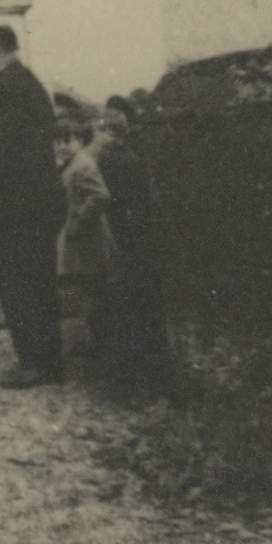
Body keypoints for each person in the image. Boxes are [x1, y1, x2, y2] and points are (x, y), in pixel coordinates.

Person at [0, 23, 66, 389]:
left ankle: (35, 363)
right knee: (37, 283)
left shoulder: (5, 90)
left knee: (21, 286)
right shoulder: (26, 85)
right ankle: (47, 361)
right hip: (30, 207)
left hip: (14, 212)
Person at [90, 98, 175, 399]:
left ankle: (133, 384)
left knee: (128, 313)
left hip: (124, 245)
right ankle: (155, 382)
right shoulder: (130, 159)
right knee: (145, 315)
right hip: (138, 244)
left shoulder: (107, 162)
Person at [53, 117, 118, 359]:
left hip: (89, 237)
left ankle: (103, 344)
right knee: (89, 288)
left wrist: (78, 221)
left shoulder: (83, 165)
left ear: (80, 140)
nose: (61, 147)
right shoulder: (71, 164)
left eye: (67, 140)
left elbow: (100, 196)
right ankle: (96, 341)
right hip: (80, 238)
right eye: (57, 142)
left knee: (95, 288)